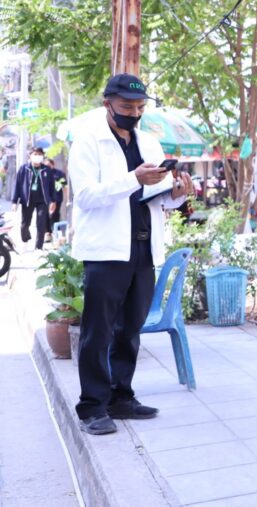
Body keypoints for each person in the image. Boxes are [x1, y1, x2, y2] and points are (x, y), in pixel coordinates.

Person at [69, 74, 194, 436]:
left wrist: (177, 193)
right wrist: (134, 178)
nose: (134, 113)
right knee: (98, 331)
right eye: (127, 106)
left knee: (131, 329)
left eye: (140, 107)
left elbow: (157, 199)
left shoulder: (149, 142)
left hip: (143, 247)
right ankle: (92, 406)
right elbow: (87, 196)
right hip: (106, 251)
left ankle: (121, 396)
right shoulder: (88, 142)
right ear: (107, 104)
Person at [12, 147, 57, 250]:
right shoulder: (24, 169)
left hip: (43, 200)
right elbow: (17, 185)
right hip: (27, 200)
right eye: (35, 154)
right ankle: (25, 239)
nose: (37, 156)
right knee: (24, 224)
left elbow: (52, 186)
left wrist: (53, 201)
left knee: (41, 224)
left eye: (40, 154)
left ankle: (38, 247)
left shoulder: (47, 170)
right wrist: (14, 201)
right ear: (30, 156)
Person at [44, 157, 67, 238]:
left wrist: (67, 199)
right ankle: (48, 233)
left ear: (53, 165)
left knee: (55, 215)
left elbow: (64, 186)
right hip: (46, 198)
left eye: (48, 165)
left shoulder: (59, 174)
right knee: (45, 215)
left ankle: (56, 233)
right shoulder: (43, 173)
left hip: (57, 198)